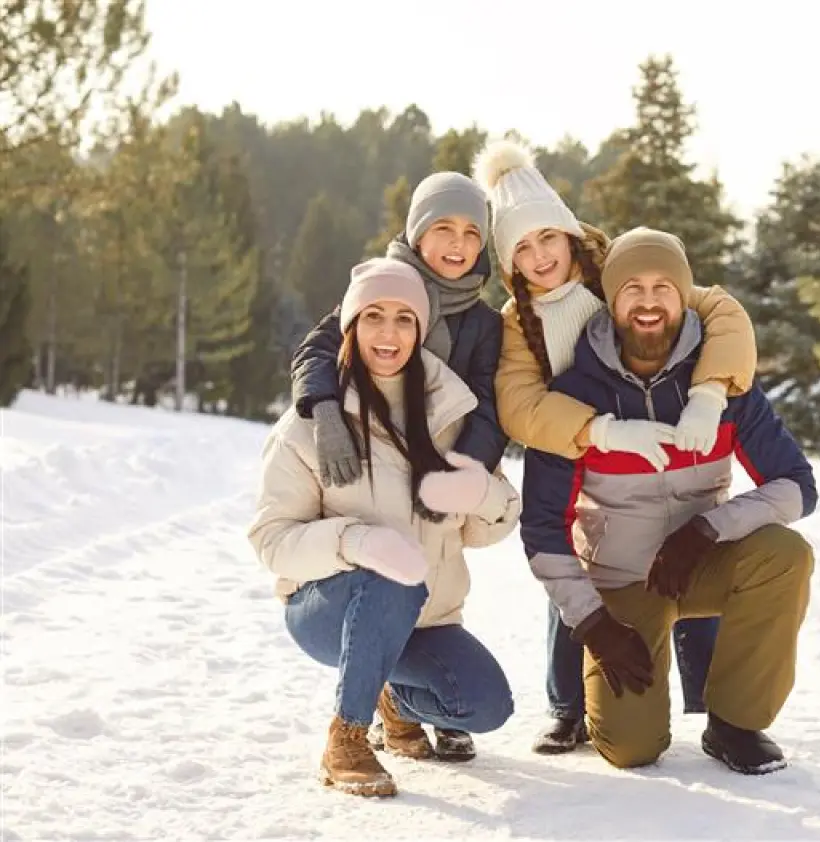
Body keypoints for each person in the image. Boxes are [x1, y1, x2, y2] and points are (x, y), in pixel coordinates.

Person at [474, 139, 758, 754]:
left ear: (569, 234)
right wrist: (598, 430)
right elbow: (519, 404)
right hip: (588, 458)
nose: (539, 256)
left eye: (547, 237)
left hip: (671, 439)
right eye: (521, 247)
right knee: (575, 564)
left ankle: (712, 702)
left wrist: (710, 391)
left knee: (690, 550)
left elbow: (721, 311)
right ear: (509, 260)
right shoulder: (518, 323)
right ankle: (568, 707)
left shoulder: (619, 275)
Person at [520, 227, 817, 775]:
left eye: (664, 287)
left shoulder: (725, 387)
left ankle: (735, 724)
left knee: (785, 554)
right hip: (622, 582)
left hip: (700, 563)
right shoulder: (574, 398)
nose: (649, 302)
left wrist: (708, 530)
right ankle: (585, 706)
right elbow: (541, 529)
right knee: (631, 749)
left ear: (684, 297)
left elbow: (798, 486)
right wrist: (593, 624)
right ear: (611, 302)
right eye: (632, 288)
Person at [248, 258, 519, 797]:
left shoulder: (451, 413)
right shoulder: (309, 424)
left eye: (403, 319)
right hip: (329, 610)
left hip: (426, 618)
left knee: (486, 705)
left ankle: (388, 695)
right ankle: (346, 737)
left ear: (420, 330)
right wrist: (355, 542)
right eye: (373, 316)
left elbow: (488, 527)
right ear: (351, 325)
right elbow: (272, 541)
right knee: (390, 576)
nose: (389, 334)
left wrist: (480, 493)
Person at [289, 170, 505, 759]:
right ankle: (354, 722)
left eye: (472, 232)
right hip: (369, 456)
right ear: (415, 232)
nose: (458, 244)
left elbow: (489, 404)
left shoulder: (483, 323)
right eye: (443, 228)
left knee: (432, 573)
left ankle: (410, 695)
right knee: (383, 566)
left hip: (431, 464)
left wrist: (463, 471)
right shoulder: (381, 287)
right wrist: (325, 411)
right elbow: (318, 349)